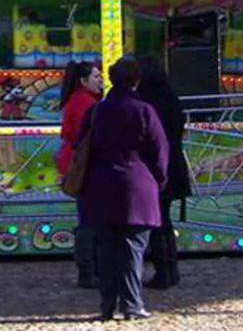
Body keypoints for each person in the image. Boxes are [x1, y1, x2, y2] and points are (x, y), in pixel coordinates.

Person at [77, 56, 168, 321]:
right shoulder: (144, 110)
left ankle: (106, 305)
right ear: (136, 81)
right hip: (137, 182)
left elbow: (82, 144)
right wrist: (159, 179)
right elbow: (159, 149)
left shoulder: (97, 111)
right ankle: (132, 304)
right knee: (133, 247)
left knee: (106, 248)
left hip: (100, 182)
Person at [136, 54, 191, 289]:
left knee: (156, 220)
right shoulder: (170, 97)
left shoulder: (145, 101)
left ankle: (163, 270)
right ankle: (170, 268)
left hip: (155, 166)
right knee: (164, 219)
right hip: (174, 164)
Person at [56, 61, 103, 289]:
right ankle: (89, 269)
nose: (100, 80)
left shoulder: (77, 101)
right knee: (90, 218)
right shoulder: (85, 104)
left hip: (73, 162)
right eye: (96, 77)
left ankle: (90, 268)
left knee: (88, 215)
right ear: (84, 81)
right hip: (83, 165)